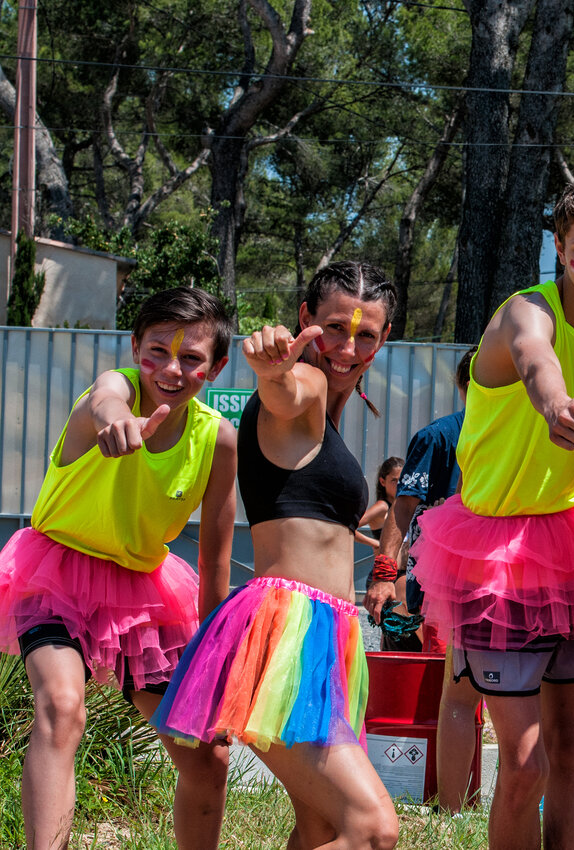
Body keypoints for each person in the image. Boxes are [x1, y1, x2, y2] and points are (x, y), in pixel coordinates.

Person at [409, 174, 574, 849]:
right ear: (556, 247)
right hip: (493, 555)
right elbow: (534, 359)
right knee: (524, 762)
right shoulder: (527, 309)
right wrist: (558, 408)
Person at [150, 262, 399, 850]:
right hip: (290, 631)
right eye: (335, 327)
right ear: (305, 320)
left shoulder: (331, 413)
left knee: (321, 827)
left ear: (383, 340)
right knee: (371, 829)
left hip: (327, 636)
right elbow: (285, 393)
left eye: (366, 335)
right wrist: (271, 372)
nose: (347, 347)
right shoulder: (305, 388)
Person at [0, 286, 237, 850]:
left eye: (191, 357)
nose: (171, 368)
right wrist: (115, 421)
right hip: (55, 573)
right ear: (134, 348)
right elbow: (106, 399)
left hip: (145, 595)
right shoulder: (110, 395)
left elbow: (216, 556)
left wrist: (215, 655)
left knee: (206, 753)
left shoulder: (218, 440)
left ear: (218, 366)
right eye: (157, 350)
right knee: (61, 704)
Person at [367, 346, 483, 812]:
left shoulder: (527, 436)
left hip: (511, 584)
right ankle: (447, 803)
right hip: (443, 589)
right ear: (465, 388)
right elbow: (404, 506)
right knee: (447, 685)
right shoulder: (439, 437)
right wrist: (383, 572)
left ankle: (475, 796)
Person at [355, 456, 403, 549]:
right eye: (394, 480)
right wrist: (376, 543)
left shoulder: (403, 506)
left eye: (402, 480)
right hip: (386, 562)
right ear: (382, 481)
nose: (399, 484)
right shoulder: (382, 507)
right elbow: (350, 526)